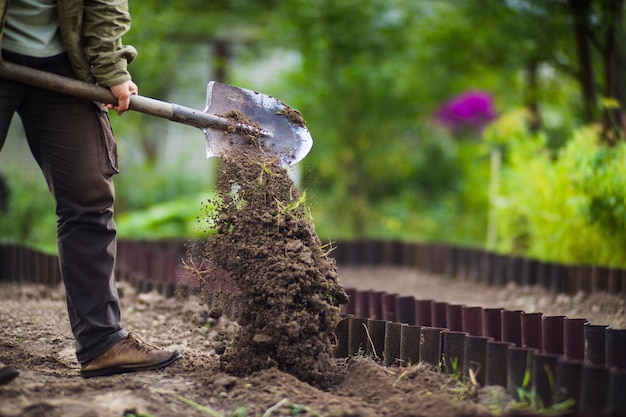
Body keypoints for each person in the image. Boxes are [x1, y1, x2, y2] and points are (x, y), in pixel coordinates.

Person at [0, 0, 182, 378]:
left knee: (88, 197)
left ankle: (102, 342)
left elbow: (105, 3)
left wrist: (111, 68)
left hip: (64, 58)